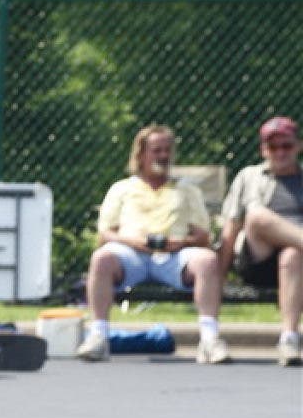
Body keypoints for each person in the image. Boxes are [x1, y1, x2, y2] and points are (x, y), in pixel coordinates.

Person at [76, 124, 230, 364]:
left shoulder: (188, 190)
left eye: (167, 150)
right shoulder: (122, 189)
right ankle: (98, 337)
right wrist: (134, 241)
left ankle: (210, 340)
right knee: (101, 258)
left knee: (208, 260)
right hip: (130, 254)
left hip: (174, 257)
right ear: (141, 155)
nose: (163, 156)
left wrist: (180, 242)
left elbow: (203, 237)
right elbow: (105, 234)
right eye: (157, 150)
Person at [218, 116, 302, 366]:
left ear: (298, 146)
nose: (280, 152)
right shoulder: (249, 177)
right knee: (256, 215)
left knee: (292, 254)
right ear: (263, 150)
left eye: (286, 146)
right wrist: (219, 277)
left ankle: (289, 338)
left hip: (297, 265)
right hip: (258, 258)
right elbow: (231, 227)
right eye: (273, 147)